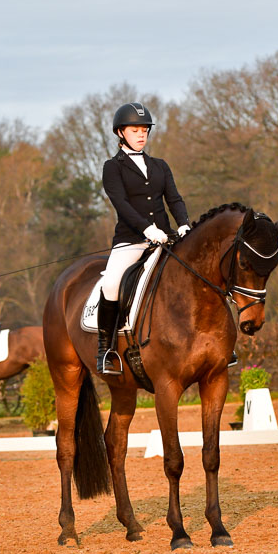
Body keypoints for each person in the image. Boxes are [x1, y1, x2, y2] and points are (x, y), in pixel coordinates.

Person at [97, 101, 191, 373]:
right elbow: (121, 204)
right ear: (120, 133)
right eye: (135, 130)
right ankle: (106, 349)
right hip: (131, 240)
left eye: (145, 130)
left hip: (166, 238)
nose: (141, 135)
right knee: (112, 284)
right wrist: (147, 230)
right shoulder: (112, 167)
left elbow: (174, 199)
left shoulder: (160, 165)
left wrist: (183, 224)